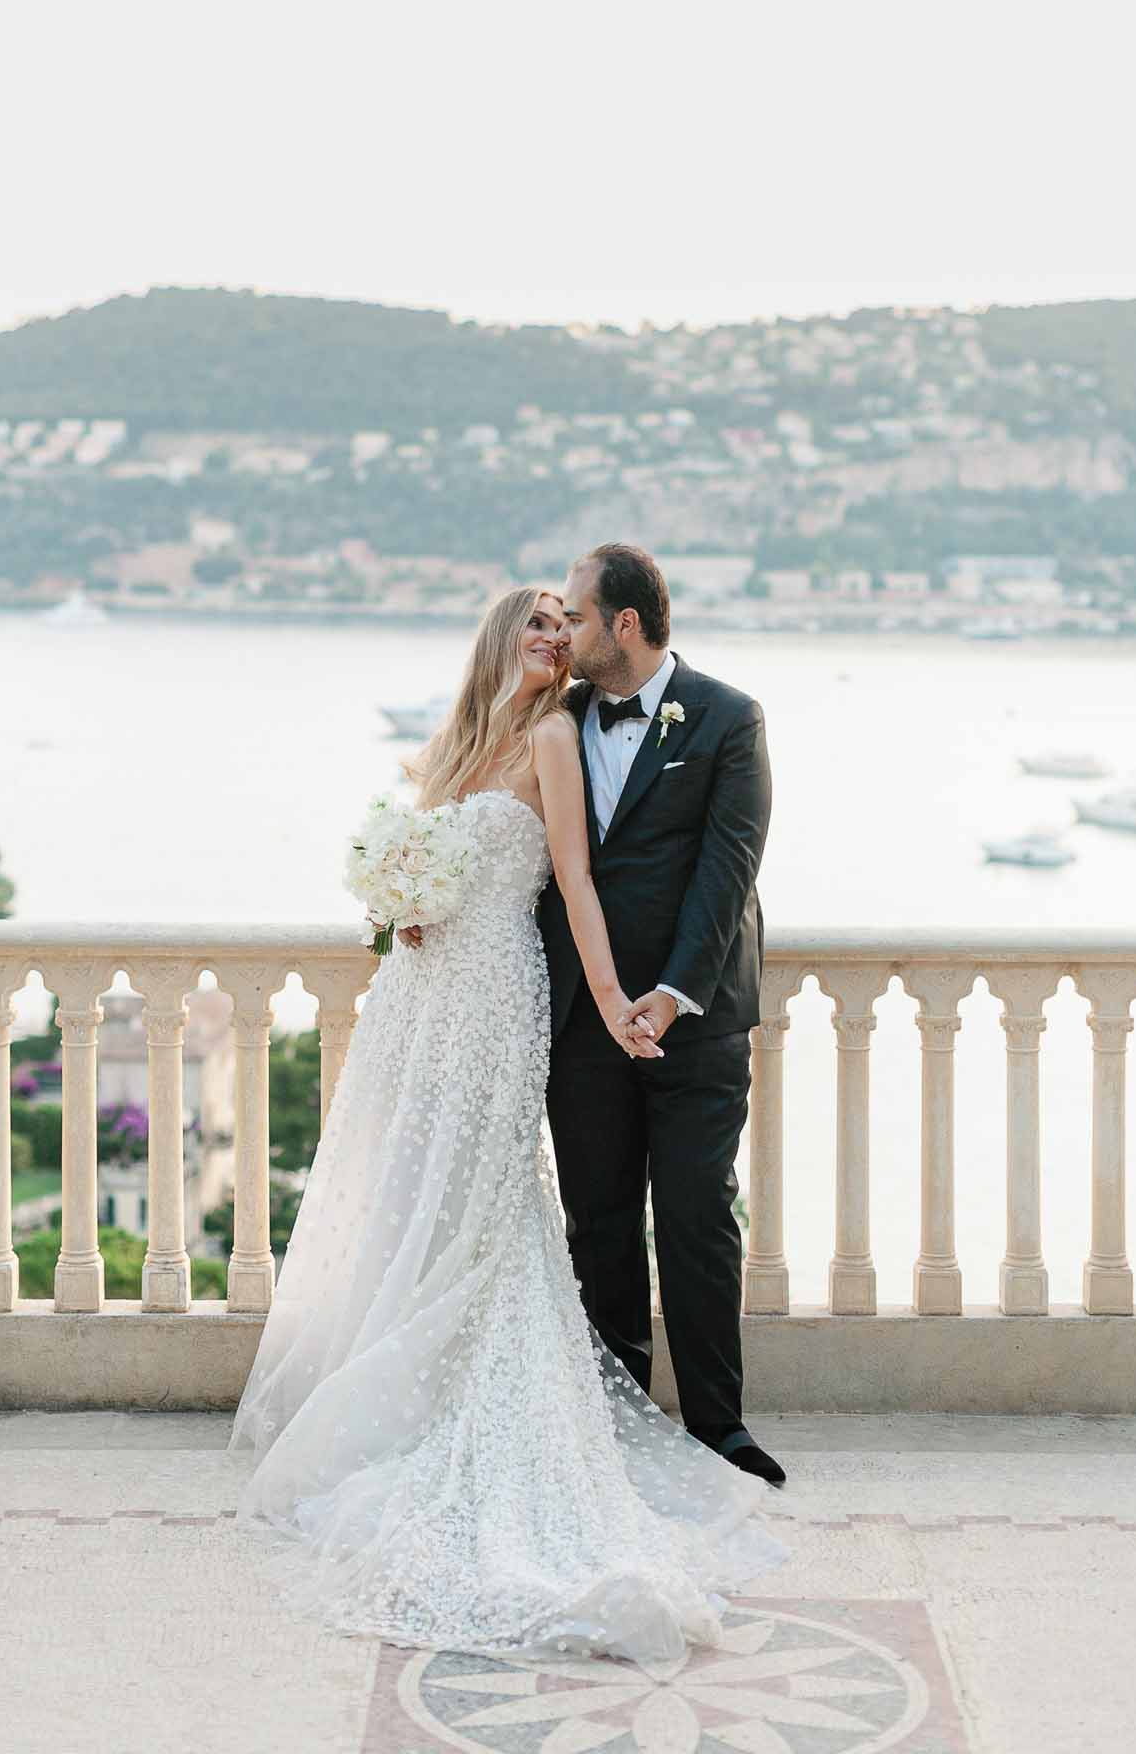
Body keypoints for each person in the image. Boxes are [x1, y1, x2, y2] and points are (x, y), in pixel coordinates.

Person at [228, 585, 787, 1666]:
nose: (552, 635)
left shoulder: (559, 734)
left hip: (505, 998)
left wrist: (623, 996)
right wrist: (399, 903)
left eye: (563, 622)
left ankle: (662, 1421)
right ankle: (399, 1390)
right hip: (424, 998)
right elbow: (424, 863)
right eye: (535, 622)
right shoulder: (457, 744)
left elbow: (576, 880)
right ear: (499, 637)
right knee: (413, 1189)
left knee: (510, 1199)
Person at [541, 544, 784, 1490]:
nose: (565, 632)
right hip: (582, 1016)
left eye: (576, 616)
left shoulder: (728, 717)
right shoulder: (553, 717)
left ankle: (719, 1426)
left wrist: (675, 994)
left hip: (698, 1017)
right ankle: (618, 1419)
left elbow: (729, 869)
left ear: (626, 624)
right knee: (597, 1220)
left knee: (696, 1215)